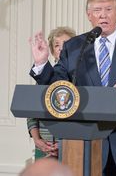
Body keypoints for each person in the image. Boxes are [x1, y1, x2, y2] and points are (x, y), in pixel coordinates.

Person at [29, 0, 116, 176]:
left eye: (109, 9)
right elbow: (59, 86)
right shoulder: (75, 46)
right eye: (97, 10)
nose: (103, 15)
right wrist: (42, 63)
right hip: (85, 146)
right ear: (89, 15)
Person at [27, 27, 76, 159]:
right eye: (56, 45)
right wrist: (37, 140)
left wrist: (65, 144)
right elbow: (31, 114)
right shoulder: (43, 77)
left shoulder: (82, 78)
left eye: (66, 44)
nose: (61, 48)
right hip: (45, 146)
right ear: (53, 52)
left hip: (73, 149)